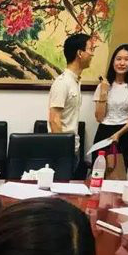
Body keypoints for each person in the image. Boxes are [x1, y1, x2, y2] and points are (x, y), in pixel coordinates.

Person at [49, 33, 95, 161]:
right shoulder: (62, 82)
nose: (92, 54)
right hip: (63, 152)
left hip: (73, 148)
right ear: (80, 53)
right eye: (90, 49)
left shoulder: (75, 81)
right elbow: (54, 120)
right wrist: (63, 153)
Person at [93, 43, 128, 169]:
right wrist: (104, 92)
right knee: (98, 171)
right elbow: (99, 118)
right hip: (103, 132)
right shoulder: (103, 85)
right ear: (113, 61)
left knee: (118, 173)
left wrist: (118, 134)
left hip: (124, 133)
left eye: (127, 59)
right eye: (118, 59)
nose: (122, 63)